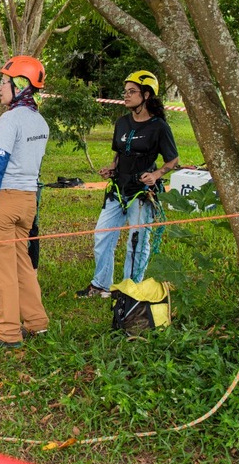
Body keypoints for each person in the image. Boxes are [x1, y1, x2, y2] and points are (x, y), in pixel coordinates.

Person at [76, 70, 180, 299]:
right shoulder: (122, 123)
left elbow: (172, 160)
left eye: (131, 92)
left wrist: (157, 175)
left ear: (146, 95)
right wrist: (112, 167)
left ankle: (129, 289)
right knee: (102, 235)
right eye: (125, 92)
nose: (126, 96)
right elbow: (120, 153)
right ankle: (100, 285)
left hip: (141, 193)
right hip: (117, 190)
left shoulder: (159, 127)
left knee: (137, 241)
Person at [0, 56, 50, 348]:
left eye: (4, 82)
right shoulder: (39, 121)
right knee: (21, 265)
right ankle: (37, 322)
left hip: (1, 202)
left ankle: (7, 332)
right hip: (27, 201)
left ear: (20, 85)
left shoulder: (9, 119)